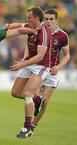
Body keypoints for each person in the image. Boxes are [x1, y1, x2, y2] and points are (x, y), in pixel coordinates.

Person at [9, 7, 51, 138]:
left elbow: (40, 56)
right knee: (15, 93)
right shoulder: (31, 26)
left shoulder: (44, 32)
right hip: (29, 63)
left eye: (29, 17)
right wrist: (9, 26)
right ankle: (37, 99)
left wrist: (21, 64)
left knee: (27, 93)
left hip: (41, 65)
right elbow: (19, 25)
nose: (27, 19)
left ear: (37, 18)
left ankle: (26, 128)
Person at [31, 9, 70, 133]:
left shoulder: (63, 35)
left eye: (51, 19)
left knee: (45, 103)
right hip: (39, 68)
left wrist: (58, 66)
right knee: (35, 97)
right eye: (46, 19)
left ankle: (32, 126)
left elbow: (67, 55)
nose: (48, 21)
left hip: (53, 71)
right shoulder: (39, 31)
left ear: (56, 20)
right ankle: (30, 118)